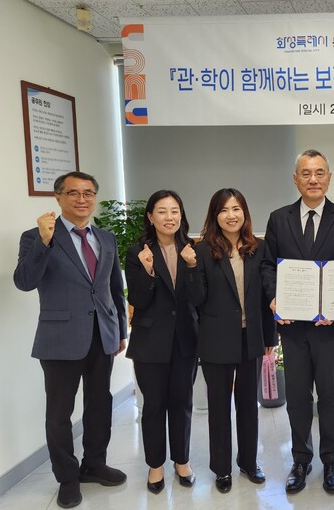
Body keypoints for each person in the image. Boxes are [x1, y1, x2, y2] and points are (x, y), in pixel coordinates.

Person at [13, 171, 127, 509]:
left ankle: (94, 464)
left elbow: (113, 288)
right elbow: (24, 281)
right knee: (59, 413)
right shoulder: (36, 236)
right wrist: (44, 242)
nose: (82, 199)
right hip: (60, 337)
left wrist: (120, 330)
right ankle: (67, 477)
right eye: (73, 193)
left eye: (88, 193)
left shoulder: (106, 238)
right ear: (59, 197)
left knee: (100, 404)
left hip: (102, 335)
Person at [262, 149, 334, 494]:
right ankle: (301, 460)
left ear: (329, 178)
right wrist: (274, 297)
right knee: (297, 396)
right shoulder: (279, 219)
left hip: (330, 327)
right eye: (306, 173)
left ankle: (332, 459)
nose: (313, 179)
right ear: (295, 179)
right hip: (292, 327)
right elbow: (268, 266)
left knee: (330, 396)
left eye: (320, 172)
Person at [182, 188, 276, 494]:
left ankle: (248, 462)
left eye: (236, 209)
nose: (231, 215)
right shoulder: (201, 250)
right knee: (219, 407)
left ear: (245, 213)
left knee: (249, 405)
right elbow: (196, 299)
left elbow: (266, 298)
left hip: (251, 338)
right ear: (215, 215)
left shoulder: (259, 248)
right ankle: (221, 468)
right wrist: (191, 267)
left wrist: (270, 337)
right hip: (216, 340)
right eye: (224, 210)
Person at [124, 190, 198, 494]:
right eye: (162, 211)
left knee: (182, 403)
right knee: (153, 405)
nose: (170, 217)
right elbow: (138, 299)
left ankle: (182, 461)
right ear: (150, 217)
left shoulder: (193, 249)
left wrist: (191, 267)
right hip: (150, 341)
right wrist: (149, 271)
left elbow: (199, 297)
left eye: (175, 211)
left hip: (185, 340)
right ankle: (155, 465)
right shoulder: (137, 252)